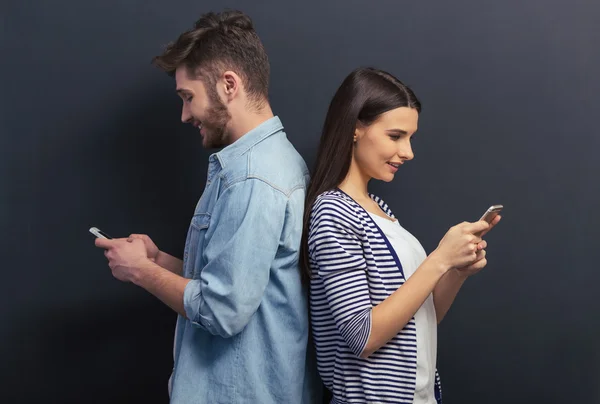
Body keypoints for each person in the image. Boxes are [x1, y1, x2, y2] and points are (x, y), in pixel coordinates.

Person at [95, 10, 320, 404]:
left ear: (228, 84)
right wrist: (159, 260)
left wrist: (141, 272)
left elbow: (222, 311)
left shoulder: (252, 178)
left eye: (188, 97)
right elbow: (239, 284)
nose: (184, 115)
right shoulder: (264, 164)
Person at [301, 67, 501, 404]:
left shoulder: (377, 208)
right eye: (395, 136)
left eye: (410, 138)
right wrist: (439, 260)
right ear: (355, 130)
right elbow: (362, 336)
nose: (408, 152)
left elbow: (420, 318)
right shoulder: (334, 212)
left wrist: (456, 271)